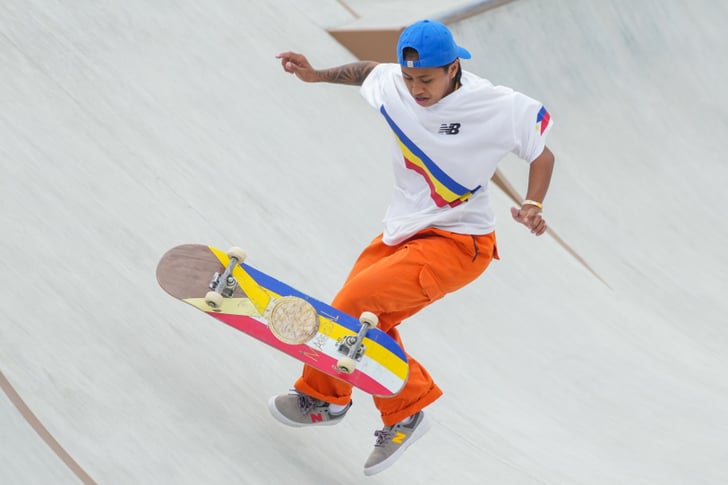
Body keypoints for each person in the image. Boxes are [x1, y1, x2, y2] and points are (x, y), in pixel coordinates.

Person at [271, 19, 555, 476]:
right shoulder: (394, 83)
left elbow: (542, 153)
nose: (417, 89)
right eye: (409, 79)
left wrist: (533, 202)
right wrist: (316, 73)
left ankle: (387, 404)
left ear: (454, 69)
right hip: (403, 230)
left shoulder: (496, 105)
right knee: (353, 319)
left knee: (355, 303)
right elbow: (366, 72)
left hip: (461, 242)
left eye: (427, 80)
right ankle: (329, 400)